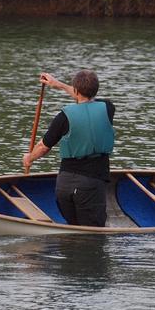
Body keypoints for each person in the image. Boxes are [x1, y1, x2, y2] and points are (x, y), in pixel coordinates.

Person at [23, 70, 115, 227]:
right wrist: (58, 85)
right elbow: (85, 98)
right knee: (92, 233)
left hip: (64, 186)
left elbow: (43, 147)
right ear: (96, 90)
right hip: (90, 183)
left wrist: (29, 158)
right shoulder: (107, 108)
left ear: (76, 90)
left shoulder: (63, 117)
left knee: (74, 226)